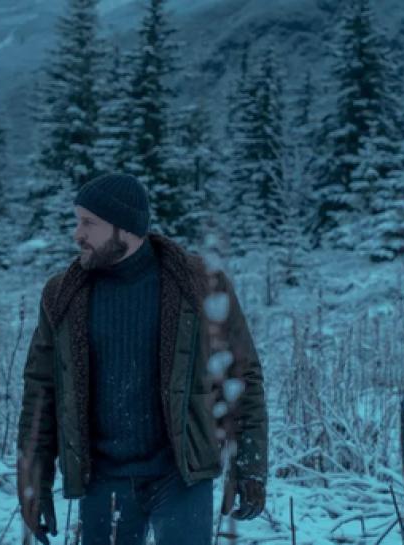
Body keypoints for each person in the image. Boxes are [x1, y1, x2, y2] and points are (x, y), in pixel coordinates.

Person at [17, 173, 268, 545]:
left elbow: (241, 376)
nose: (77, 234)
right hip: (102, 479)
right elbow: (41, 392)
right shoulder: (63, 294)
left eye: (88, 223)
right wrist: (35, 483)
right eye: (77, 221)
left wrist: (249, 467)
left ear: (126, 228)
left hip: (181, 475)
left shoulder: (198, 284)